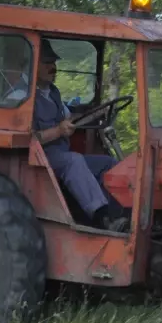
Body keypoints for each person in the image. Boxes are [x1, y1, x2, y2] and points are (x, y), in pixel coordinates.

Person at [32, 40, 129, 232]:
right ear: (33, 64)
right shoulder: (24, 96)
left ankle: (121, 215)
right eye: (47, 63)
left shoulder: (53, 92)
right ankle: (102, 218)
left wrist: (92, 116)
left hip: (62, 152)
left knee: (107, 163)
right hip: (40, 158)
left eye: (54, 63)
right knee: (74, 161)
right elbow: (29, 137)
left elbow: (68, 116)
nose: (53, 68)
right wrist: (59, 131)